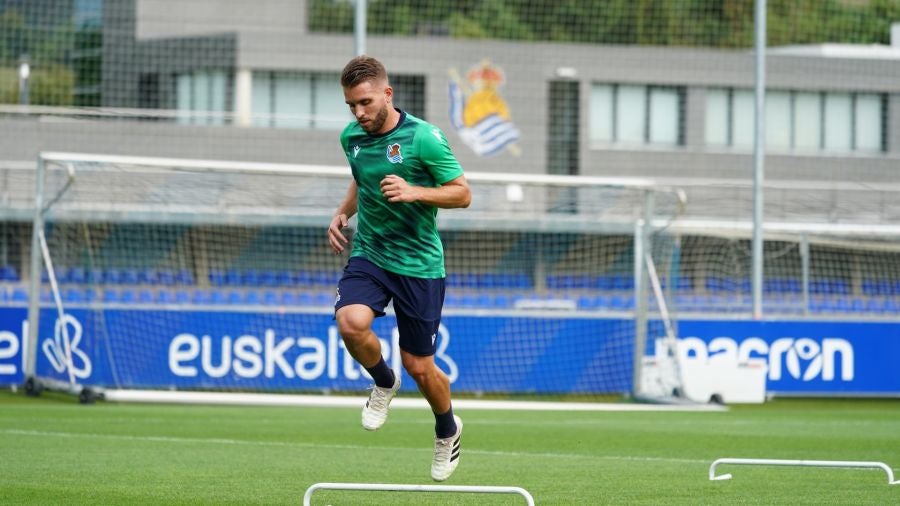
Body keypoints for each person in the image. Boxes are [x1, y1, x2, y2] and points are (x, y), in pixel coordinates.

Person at [327, 55, 472, 482]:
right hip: (371, 254)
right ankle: (382, 382)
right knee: (351, 323)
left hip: (419, 266)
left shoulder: (424, 138)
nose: (359, 113)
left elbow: (462, 194)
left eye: (366, 102)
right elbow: (362, 177)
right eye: (351, 105)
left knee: (420, 366)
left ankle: (448, 429)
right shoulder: (351, 137)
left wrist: (414, 191)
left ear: (387, 94)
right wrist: (342, 213)